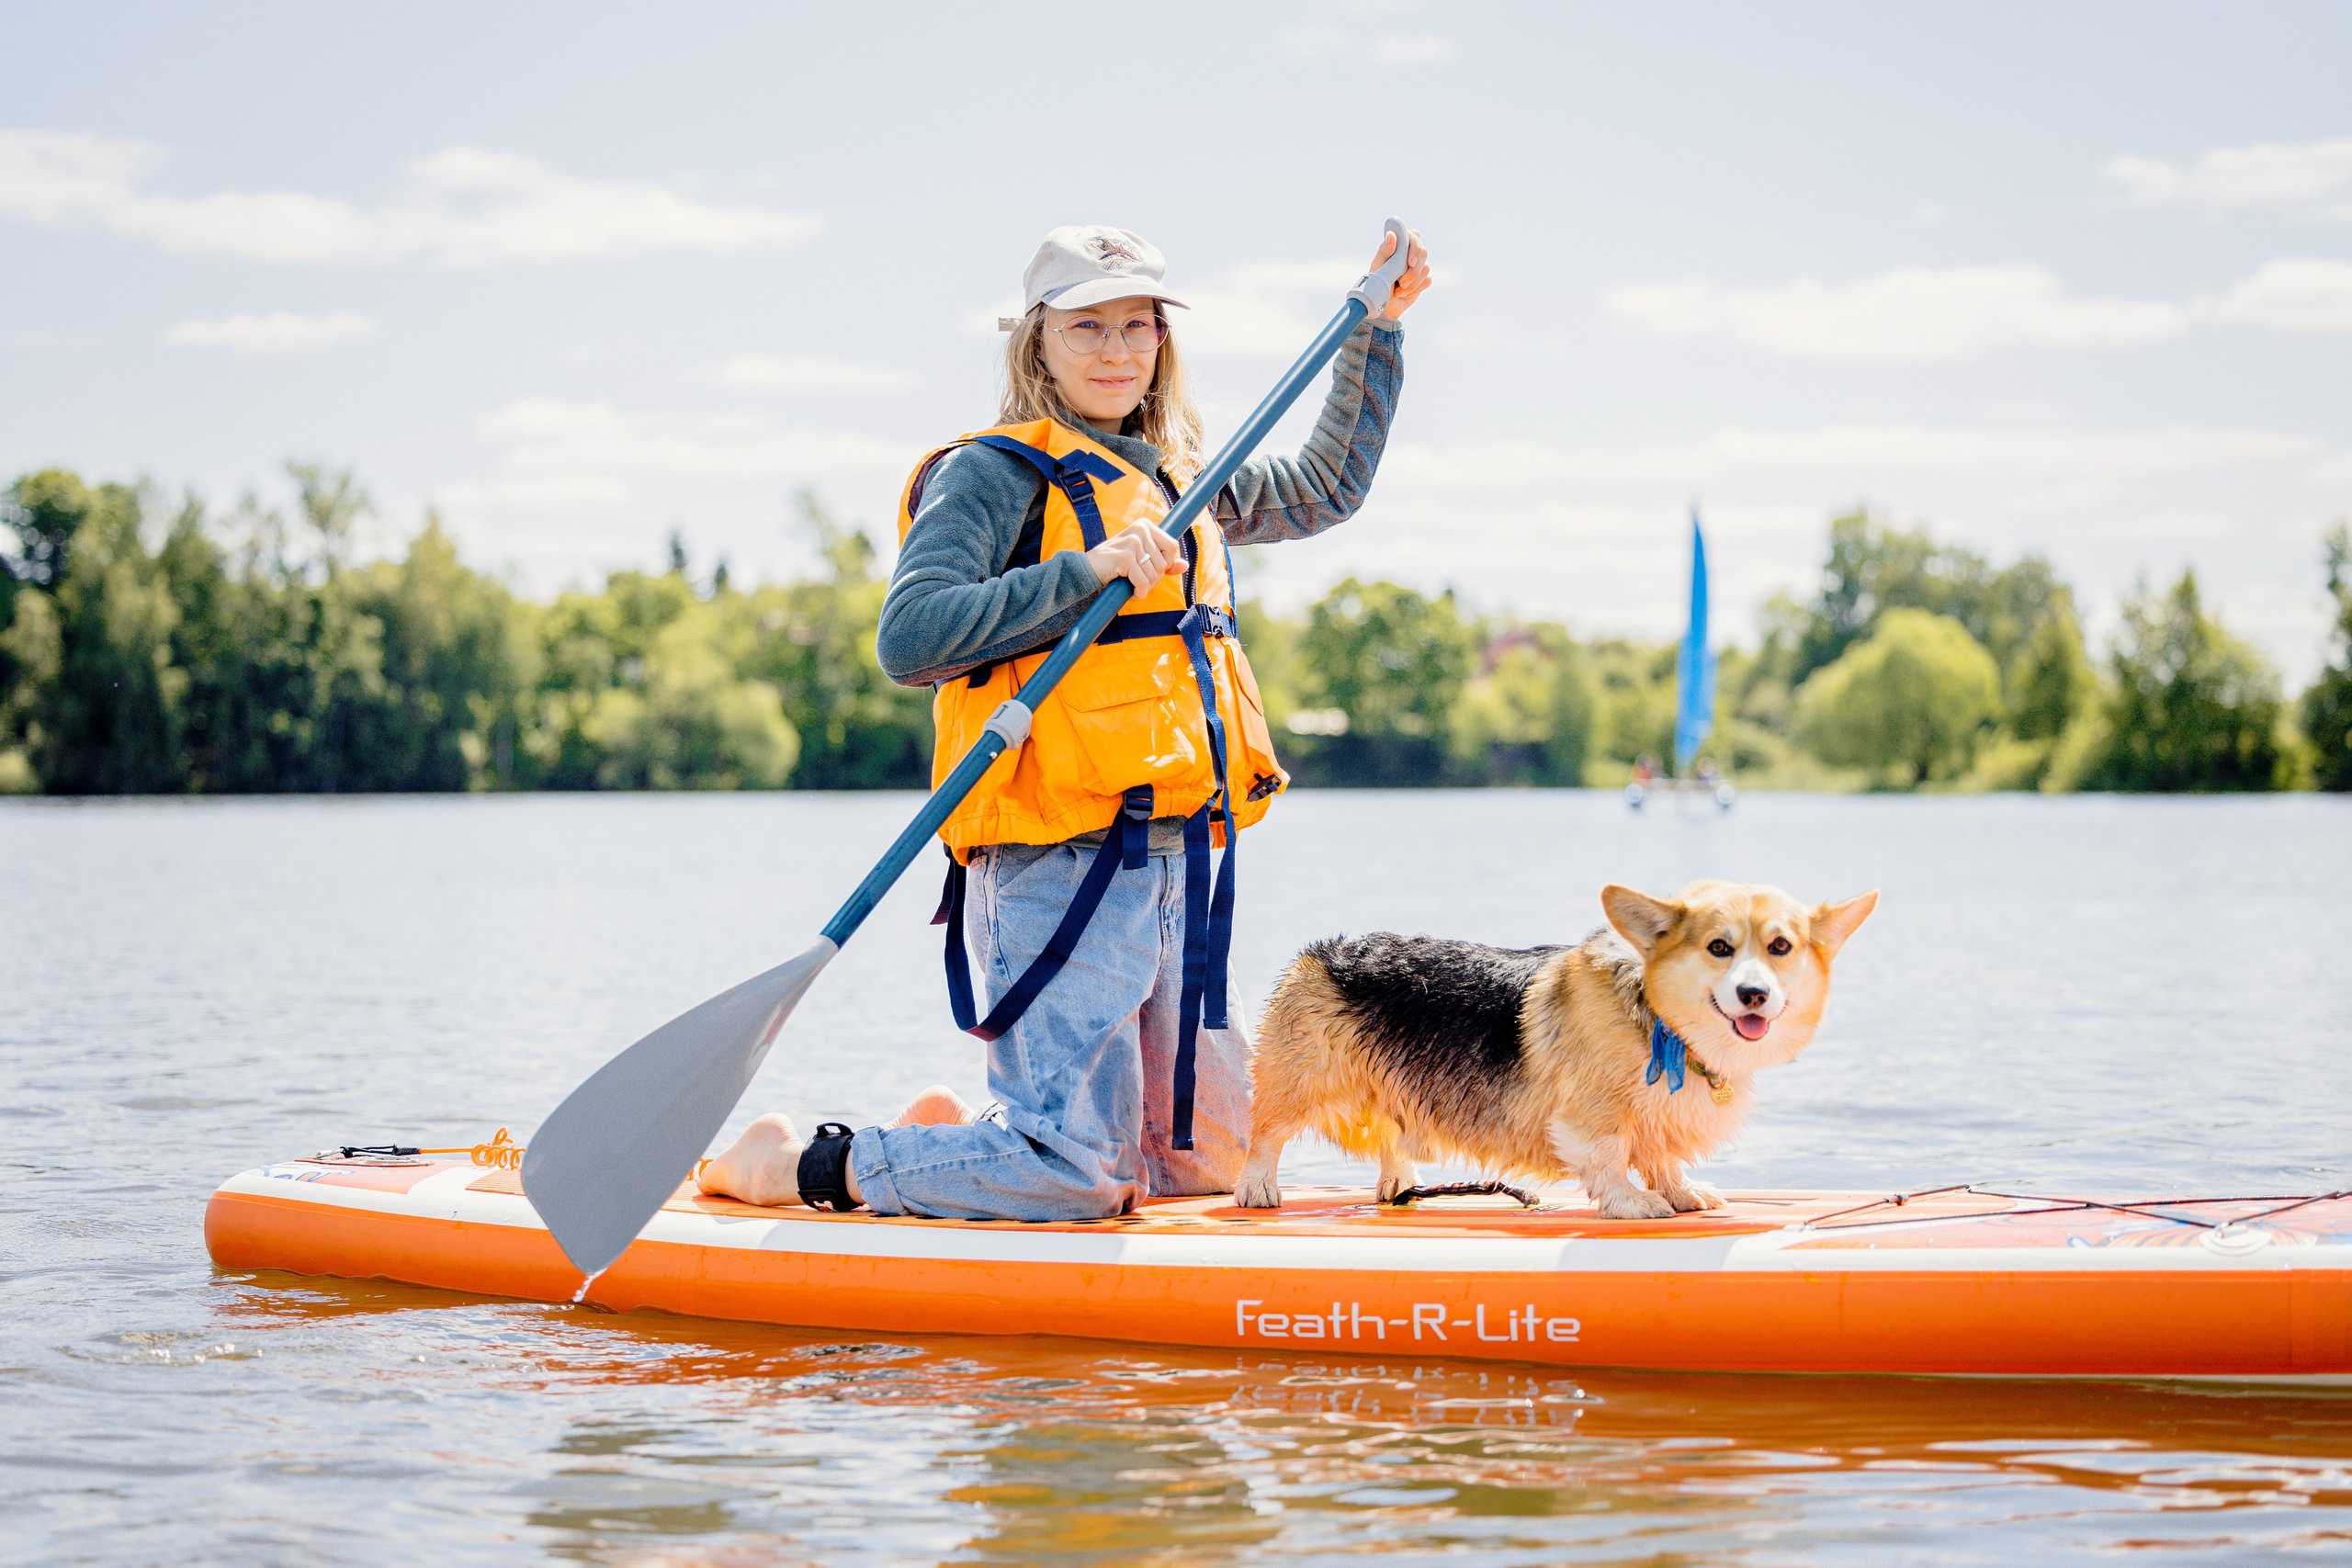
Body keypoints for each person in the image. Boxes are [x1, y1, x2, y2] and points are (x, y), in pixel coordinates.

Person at [699, 221, 1431, 1220]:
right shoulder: (993, 474)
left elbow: (1323, 488)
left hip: (1179, 858)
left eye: (1139, 327)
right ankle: (791, 1165)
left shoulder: (1180, 476)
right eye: (1088, 327)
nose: (1119, 351)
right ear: (1035, 340)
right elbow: (910, 639)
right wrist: (1087, 572)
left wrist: (1375, 333)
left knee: (1209, 1168)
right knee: (1076, 1176)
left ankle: (963, 1146)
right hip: (1052, 861)